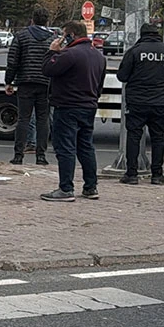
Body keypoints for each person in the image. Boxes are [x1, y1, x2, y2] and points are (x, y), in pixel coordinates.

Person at [39, 21, 107, 202]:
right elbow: (99, 84)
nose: (61, 38)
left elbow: (47, 70)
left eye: (64, 34)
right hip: (89, 106)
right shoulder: (98, 56)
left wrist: (52, 51)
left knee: (65, 147)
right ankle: (91, 187)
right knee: (86, 147)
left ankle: (66, 188)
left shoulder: (70, 54)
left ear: (71, 35)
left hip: (67, 106)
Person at [116, 23, 164, 185]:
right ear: (157, 33)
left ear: (142, 34)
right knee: (158, 138)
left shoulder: (134, 52)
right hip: (160, 102)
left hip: (137, 102)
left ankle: (131, 174)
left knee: (134, 136)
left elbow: (122, 76)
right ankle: (157, 175)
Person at [5, 8, 54, 166]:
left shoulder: (21, 36)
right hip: (45, 83)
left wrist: (9, 81)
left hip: (25, 82)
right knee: (43, 119)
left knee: (23, 119)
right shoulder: (53, 38)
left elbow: (12, 60)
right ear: (47, 21)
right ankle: (41, 156)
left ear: (32, 20)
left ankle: (18, 155)